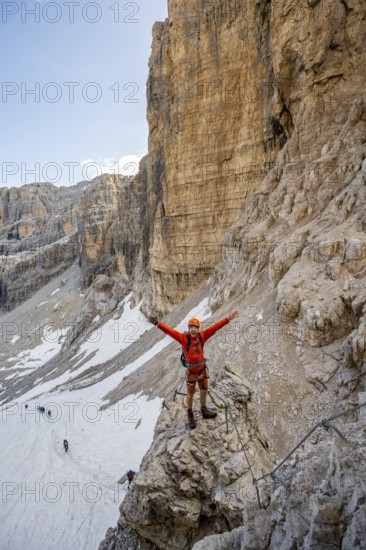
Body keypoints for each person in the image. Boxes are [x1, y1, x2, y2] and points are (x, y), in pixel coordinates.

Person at [147, 310, 239, 429]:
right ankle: (190, 413)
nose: (193, 330)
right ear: (189, 328)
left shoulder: (202, 336)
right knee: (190, 395)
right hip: (191, 373)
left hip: (202, 371)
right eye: (191, 327)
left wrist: (228, 318)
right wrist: (156, 323)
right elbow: (170, 331)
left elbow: (215, 327)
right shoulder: (183, 338)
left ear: (198, 328)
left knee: (203, 390)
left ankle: (203, 409)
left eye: (196, 327)